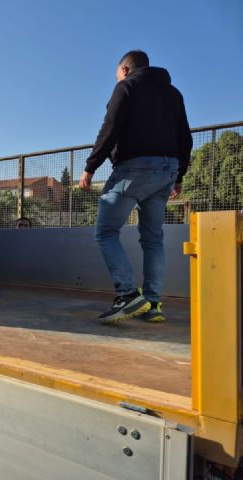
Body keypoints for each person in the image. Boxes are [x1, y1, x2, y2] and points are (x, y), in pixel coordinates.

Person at [79, 50, 192, 325]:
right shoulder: (173, 94)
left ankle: (128, 294)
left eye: (117, 74)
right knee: (153, 239)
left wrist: (90, 166)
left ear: (125, 70)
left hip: (135, 168)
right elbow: (184, 137)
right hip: (167, 169)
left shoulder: (126, 87)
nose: (116, 78)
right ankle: (153, 303)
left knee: (105, 232)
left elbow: (110, 128)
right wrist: (179, 176)